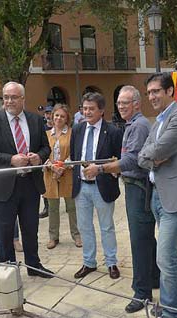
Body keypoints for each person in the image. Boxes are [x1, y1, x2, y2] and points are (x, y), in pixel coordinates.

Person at [84, 85, 158, 313]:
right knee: (146, 239)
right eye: (119, 103)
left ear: (137, 103)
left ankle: (141, 293)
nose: (121, 106)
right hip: (137, 186)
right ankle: (155, 278)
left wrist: (102, 168)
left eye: (125, 102)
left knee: (139, 241)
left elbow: (132, 160)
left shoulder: (137, 126)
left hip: (138, 188)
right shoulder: (134, 125)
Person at [138, 72, 177, 318]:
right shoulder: (158, 121)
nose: (152, 96)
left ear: (170, 91)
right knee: (175, 253)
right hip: (160, 196)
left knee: (165, 258)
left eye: (156, 91)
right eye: (149, 92)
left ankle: (172, 313)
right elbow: (144, 155)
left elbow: (159, 151)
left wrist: (154, 155)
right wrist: (153, 156)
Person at [0, 81, 53, 278]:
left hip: (30, 185)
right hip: (4, 186)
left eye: (13, 97)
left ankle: (34, 266)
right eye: (6, 97)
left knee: (30, 229)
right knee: (4, 232)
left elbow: (46, 148)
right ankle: (8, 270)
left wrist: (39, 156)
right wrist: (10, 159)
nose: (9, 101)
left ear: (23, 99)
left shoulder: (36, 120)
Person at [70, 92, 123, 280]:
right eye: (84, 108)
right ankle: (88, 262)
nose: (87, 112)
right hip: (81, 187)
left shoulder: (114, 131)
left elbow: (120, 160)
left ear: (101, 110)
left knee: (106, 226)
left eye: (91, 109)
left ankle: (111, 262)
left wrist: (106, 171)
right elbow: (74, 156)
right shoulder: (77, 129)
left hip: (103, 186)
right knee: (84, 226)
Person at [43, 104, 82, 249]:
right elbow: (42, 154)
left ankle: (77, 235)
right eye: (56, 115)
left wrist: (63, 166)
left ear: (67, 119)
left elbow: (75, 154)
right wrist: (51, 166)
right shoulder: (46, 135)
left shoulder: (72, 134)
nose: (59, 118)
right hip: (50, 175)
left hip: (68, 174)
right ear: (52, 117)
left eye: (62, 116)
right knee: (52, 208)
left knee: (72, 207)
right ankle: (53, 237)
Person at [39, 105, 54, 219]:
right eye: (47, 113)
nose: (48, 115)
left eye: (50, 113)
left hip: (58, 159)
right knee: (46, 184)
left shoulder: (60, 127)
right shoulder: (42, 128)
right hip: (46, 160)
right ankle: (47, 207)